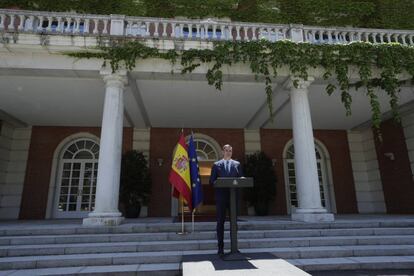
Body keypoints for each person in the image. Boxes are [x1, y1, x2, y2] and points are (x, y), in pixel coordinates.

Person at [209, 144, 243, 255]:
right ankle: (220, 248)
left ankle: (234, 247)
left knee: (234, 223)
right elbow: (211, 181)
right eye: (226, 150)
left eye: (230, 150)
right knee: (220, 223)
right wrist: (218, 183)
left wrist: (242, 179)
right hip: (221, 198)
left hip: (233, 198)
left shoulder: (237, 164)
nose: (228, 152)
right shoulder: (216, 165)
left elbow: (241, 179)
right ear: (223, 152)